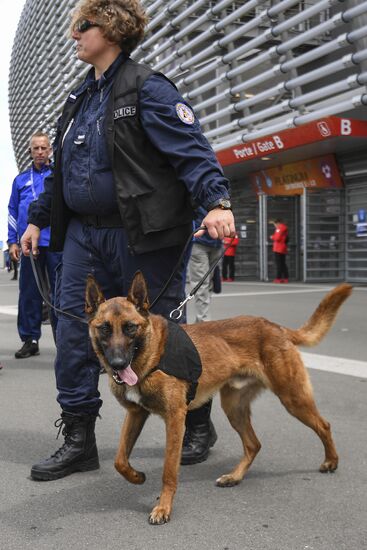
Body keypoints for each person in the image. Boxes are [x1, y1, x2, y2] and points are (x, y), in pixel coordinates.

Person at [21, 0, 235, 481]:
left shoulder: (148, 89)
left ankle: (196, 420)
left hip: (144, 234)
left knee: (167, 338)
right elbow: (63, 172)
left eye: (82, 26)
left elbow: (192, 151)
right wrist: (37, 219)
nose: (74, 35)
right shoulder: (78, 100)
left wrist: (217, 201)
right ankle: (79, 440)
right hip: (83, 236)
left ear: (111, 28)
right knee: (75, 333)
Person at [7, 131, 62, 359]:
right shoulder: (20, 180)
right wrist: (12, 241)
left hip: (55, 242)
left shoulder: (57, 177)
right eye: (35, 148)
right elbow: (12, 211)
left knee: (61, 293)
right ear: (30, 152)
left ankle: (65, 341)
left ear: (50, 150)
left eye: (43, 148)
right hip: (28, 244)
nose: (40, 152)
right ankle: (30, 339)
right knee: (28, 292)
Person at [186, 206, 223, 323]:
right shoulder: (197, 190)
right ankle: (204, 321)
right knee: (202, 284)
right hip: (199, 242)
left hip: (217, 242)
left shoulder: (222, 191)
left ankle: (201, 319)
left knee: (208, 284)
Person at [270, 218, 289, 283]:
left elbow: (277, 238)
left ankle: (278, 278)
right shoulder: (284, 228)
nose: (274, 226)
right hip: (283, 247)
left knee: (279, 264)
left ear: (277, 223)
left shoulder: (279, 228)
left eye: (274, 224)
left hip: (278, 248)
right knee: (283, 263)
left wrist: (272, 237)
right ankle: (286, 278)